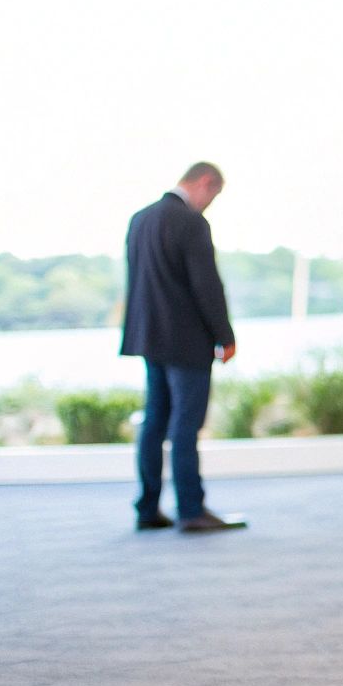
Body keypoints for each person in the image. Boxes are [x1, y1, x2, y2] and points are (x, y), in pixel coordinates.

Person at [121, 162, 245, 533]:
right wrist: (225, 336)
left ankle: (147, 508)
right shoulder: (191, 222)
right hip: (187, 341)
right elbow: (207, 285)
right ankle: (191, 509)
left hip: (150, 338)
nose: (210, 204)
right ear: (205, 182)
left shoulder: (140, 219)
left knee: (154, 422)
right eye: (214, 195)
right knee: (185, 426)